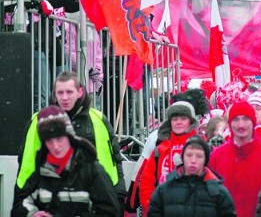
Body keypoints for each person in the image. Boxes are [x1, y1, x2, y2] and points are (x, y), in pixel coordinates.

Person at [15, 71, 126, 209]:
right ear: (54, 93)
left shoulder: (98, 119)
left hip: (95, 200)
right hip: (51, 202)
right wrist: (21, 203)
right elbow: (27, 164)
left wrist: (119, 195)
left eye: (69, 92)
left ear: (80, 92)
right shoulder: (39, 120)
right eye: (60, 92)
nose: (65, 97)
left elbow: (114, 160)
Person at [11, 106, 120, 216]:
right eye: (49, 140)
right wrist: (33, 214)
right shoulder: (40, 172)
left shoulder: (92, 170)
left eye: (59, 139)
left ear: (70, 137)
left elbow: (110, 212)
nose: (55, 146)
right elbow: (19, 205)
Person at [208, 100, 261, 217]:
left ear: (253, 122)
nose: (241, 125)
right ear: (230, 124)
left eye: (246, 119)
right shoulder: (217, 156)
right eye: (236, 119)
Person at [148, 135, 236, 217]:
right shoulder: (163, 190)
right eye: (189, 155)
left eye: (199, 156)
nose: (193, 160)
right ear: (182, 157)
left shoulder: (219, 193)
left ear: (205, 160)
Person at [139, 101, 201, 214]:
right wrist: (150, 205)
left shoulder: (201, 146)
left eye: (183, 118)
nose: (178, 122)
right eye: (175, 119)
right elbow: (146, 181)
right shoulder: (160, 149)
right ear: (170, 122)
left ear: (190, 122)